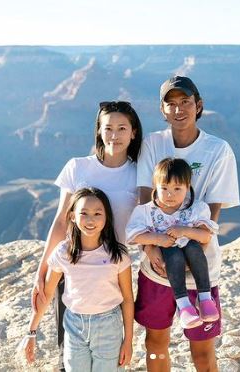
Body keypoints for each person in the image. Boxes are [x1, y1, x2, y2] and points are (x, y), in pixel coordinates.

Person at [135, 76, 240, 371]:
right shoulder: (152, 145)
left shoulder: (218, 151)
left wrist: (192, 250)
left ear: (199, 106)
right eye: (171, 104)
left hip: (200, 267)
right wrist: (149, 248)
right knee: (155, 344)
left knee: (203, 351)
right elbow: (144, 199)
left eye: (185, 102)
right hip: (156, 266)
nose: (178, 109)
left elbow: (212, 214)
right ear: (162, 109)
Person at [31, 101, 142, 370]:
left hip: (112, 269)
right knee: (68, 350)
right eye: (108, 128)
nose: (114, 135)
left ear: (134, 133)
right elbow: (60, 220)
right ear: (99, 131)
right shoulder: (78, 167)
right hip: (73, 263)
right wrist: (42, 268)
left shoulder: (139, 173)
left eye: (122, 128)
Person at [23, 187, 134, 371]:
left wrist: (128, 341)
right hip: (74, 325)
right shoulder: (63, 252)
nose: (91, 220)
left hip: (109, 327)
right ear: (73, 216)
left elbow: (128, 299)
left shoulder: (118, 255)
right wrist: (31, 332)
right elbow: (47, 293)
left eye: (98, 213)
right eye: (84, 213)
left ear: (106, 218)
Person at [126, 157, 219, 329]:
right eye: (164, 188)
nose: (170, 194)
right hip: (166, 255)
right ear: (155, 187)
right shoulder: (147, 211)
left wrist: (184, 230)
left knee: (193, 247)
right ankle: (184, 306)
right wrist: (156, 239)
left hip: (192, 254)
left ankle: (205, 299)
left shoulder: (195, 209)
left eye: (177, 188)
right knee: (173, 254)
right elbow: (133, 236)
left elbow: (206, 237)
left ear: (187, 187)